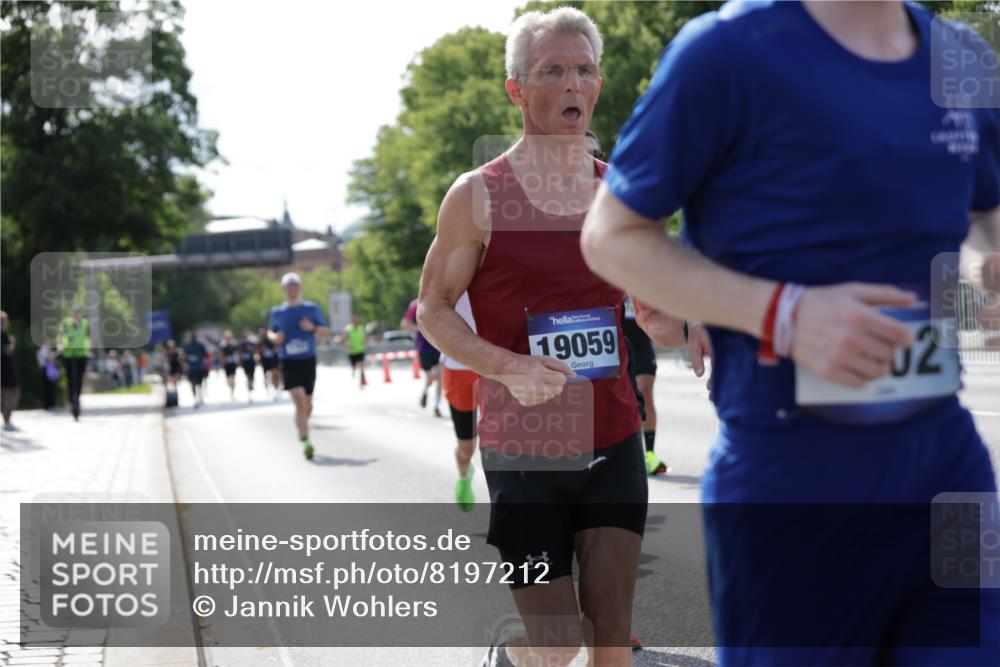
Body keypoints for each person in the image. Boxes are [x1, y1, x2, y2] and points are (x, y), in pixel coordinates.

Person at [581, 2, 1000, 664]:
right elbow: (611, 238)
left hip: (947, 468)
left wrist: (985, 264)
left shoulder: (961, 54)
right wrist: (785, 312)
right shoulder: (727, 52)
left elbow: (983, 209)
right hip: (795, 479)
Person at [417, 8, 648, 666]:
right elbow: (432, 309)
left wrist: (690, 326)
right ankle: (512, 654)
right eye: (554, 71)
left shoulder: (618, 194)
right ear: (517, 89)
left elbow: (650, 299)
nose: (573, 84)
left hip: (612, 432)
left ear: (599, 86)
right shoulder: (477, 196)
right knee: (557, 645)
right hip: (529, 443)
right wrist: (507, 366)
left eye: (584, 71)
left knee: (611, 636)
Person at [586, 130, 666, 476]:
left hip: (639, 320)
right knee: (614, 390)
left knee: (645, 385)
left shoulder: (622, 203)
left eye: (592, 153)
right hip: (607, 323)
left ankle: (647, 453)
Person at [268, 272, 329, 460]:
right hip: (288, 361)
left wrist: (311, 328)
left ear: (300, 287)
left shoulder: (311, 309)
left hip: (308, 360)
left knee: (308, 404)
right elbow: (271, 332)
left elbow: (325, 330)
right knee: (299, 399)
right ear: (283, 289)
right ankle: (306, 441)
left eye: (295, 285)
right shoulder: (277, 312)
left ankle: (302, 425)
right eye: (289, 286)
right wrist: (275, 338)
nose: (292, 289)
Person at [440, 292, 478, 511]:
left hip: (503, 360)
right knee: (466, 449)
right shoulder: (448, 258)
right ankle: (464, 476)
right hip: (460, 369)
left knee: (505, 443)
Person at [402, 298, 443, 417]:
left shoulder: (439, 301)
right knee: (430, 377)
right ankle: (425, 393)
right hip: (423, 348)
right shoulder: (415, 304)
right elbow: (405, 323)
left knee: (440, 377)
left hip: (438, 346)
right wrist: (420, 329)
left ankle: (437, 406)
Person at [58, 304, 90, 421]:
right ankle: (72, 401)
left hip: (81, 354)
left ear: (81, 314)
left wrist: (90, 348)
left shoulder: (86, 324)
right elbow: (60, 336)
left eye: (79, 313)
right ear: (72, 314)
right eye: (75, 313)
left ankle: (77, 399)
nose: (77, 315)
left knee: (79, 379)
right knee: (70, 379)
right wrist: (60, 345)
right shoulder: (66, 323)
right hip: (69, 355)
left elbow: (89, 337)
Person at [1, 311, 20, 431]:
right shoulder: (2, 334)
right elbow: (8, 352)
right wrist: (12, 343)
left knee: (4, 395)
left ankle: (6, 419)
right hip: (6, 370)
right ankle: (7, 420)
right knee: (13, 392)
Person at [338, 315, 368, 389]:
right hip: (351, 352)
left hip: (360, 350)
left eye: (357, 321)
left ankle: (361, 381)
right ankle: (354, 369)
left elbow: (365, 337)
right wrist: (345, 344)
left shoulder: (361, 328)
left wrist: (365, 341)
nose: (356, 323)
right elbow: (342, 339)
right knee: (354, 366)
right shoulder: (348, 329)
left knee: (361, 366)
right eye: (354, 321)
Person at [182, 333, 208, 408]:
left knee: (193, 384)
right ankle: (199, 397)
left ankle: (196, 398)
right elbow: (205, 356)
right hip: (198, 367)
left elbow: (184, 358)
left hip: (192, 368)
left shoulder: (187, 346)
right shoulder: (200, 345)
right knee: (199, 384)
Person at [258, 325, 281, 400]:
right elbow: (257, 349)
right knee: (267, 375)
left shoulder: (272, 338)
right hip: (265, 359)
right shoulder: (260, 340)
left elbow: (277, 345)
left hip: (273, 359)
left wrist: (274, 349)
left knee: (275, 373)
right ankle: (268, 387)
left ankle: (276, 389)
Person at [36, 337, 58, 411]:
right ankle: (51, 404)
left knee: (45, 388)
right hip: (48, 370)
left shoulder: (39, 351)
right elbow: (51, 359)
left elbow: (39, 364)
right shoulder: (46, 350)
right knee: (51, 388)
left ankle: (46, 405)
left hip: (44, 370)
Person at [239, 328, 258, 401]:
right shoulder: (242, 343)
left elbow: (256, 350)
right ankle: (249, 386)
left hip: (251, 361)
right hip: (245, 361)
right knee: (247, 375)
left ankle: (251, 383)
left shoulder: (252, 342)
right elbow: (240, 352)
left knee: (252, 374)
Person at [220, 330, 239, 401]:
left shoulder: (234, 343)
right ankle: (231, 388)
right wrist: (223, 361)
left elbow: (236, 352)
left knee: (233, 377)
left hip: (233, 362)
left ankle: (232, 392)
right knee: (228, 378)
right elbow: (221, 354)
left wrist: (237, 360)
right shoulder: (223, 344)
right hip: (226, 363)